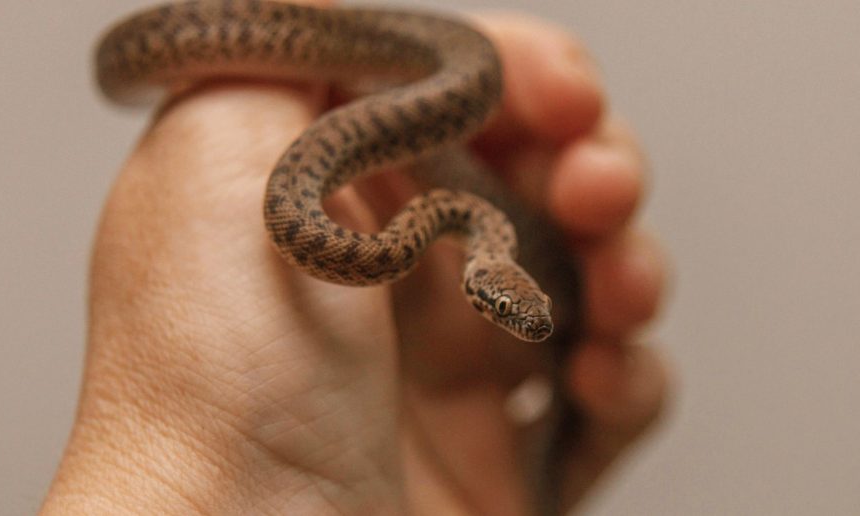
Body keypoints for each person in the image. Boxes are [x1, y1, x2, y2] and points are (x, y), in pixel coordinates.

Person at [43, 3, 670, 514]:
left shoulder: (475, 227)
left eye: (516, 312)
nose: (519, 319)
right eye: (510, 309)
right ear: (484, 291)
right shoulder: (407, 234)